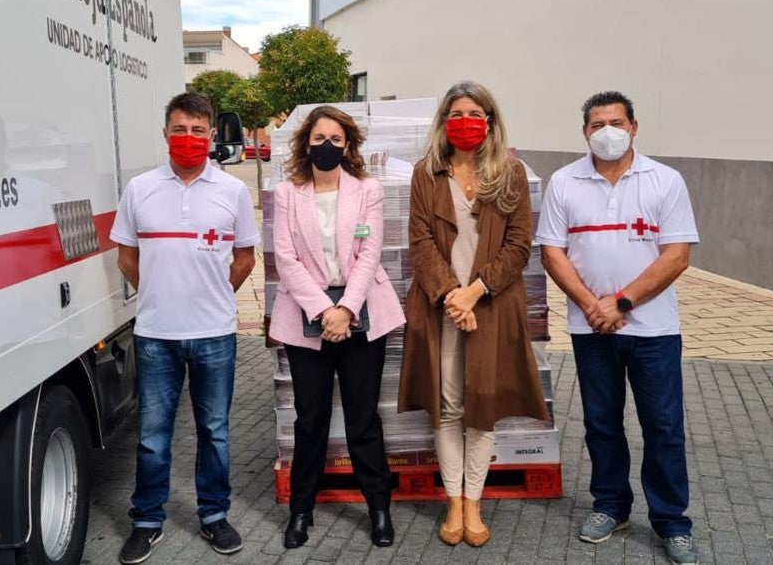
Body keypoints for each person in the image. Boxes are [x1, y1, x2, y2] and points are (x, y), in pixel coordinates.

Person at [534, 91, 700, 565]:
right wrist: (592, 306)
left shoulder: (664, 180)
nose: (607, 130)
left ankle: (672, 521)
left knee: (664, 427)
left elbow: (677, 255)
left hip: (654, 332)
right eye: (597, 123)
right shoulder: (565, 182)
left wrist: (622, 301)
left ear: (634, 127)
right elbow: (552, 252)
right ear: (584, 131)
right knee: (602, 424)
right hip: (592, 330)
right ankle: (611, 505)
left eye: (616, 122)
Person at [109, 92, 260, 564]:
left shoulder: (232, 191)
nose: (189, 139)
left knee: (214, 431)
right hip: (155, 335)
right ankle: (147, 521)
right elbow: (127, 256)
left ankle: (214, 516)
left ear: (212, 135)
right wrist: (159, 291)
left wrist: (210, 292)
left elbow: (245, 256)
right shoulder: (140, 189)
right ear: (166, 133)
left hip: (214, 333)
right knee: (153, 435)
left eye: (198, 131)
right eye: (180, 129)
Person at [398, 80, 549, 548]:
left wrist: (475, 292)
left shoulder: (510, 173)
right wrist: (451, 296)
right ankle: (454, 500)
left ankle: (475, 499)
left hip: (492, 306)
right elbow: (420, 243)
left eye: (474, 114)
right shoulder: (428, 173)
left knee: (481, 405)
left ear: (490, 121)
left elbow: (520, 244)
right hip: (440, 305)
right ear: (444, 121)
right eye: (456, 114)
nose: (465, 122)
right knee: (448, 407)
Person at [269, 105, 406, 549]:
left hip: (361, 311)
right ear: (305, 142)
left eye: (335, 140)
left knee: (363, 416)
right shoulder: (288, 193)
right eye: (318, 138)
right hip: (307, 313)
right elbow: (285, 259)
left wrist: (345, 309)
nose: (326, 146)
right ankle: (301, 510)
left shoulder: (367, 190)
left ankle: (378, 509)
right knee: (311, 418)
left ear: (348, 146)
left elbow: (370, 254)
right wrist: (322, 311)